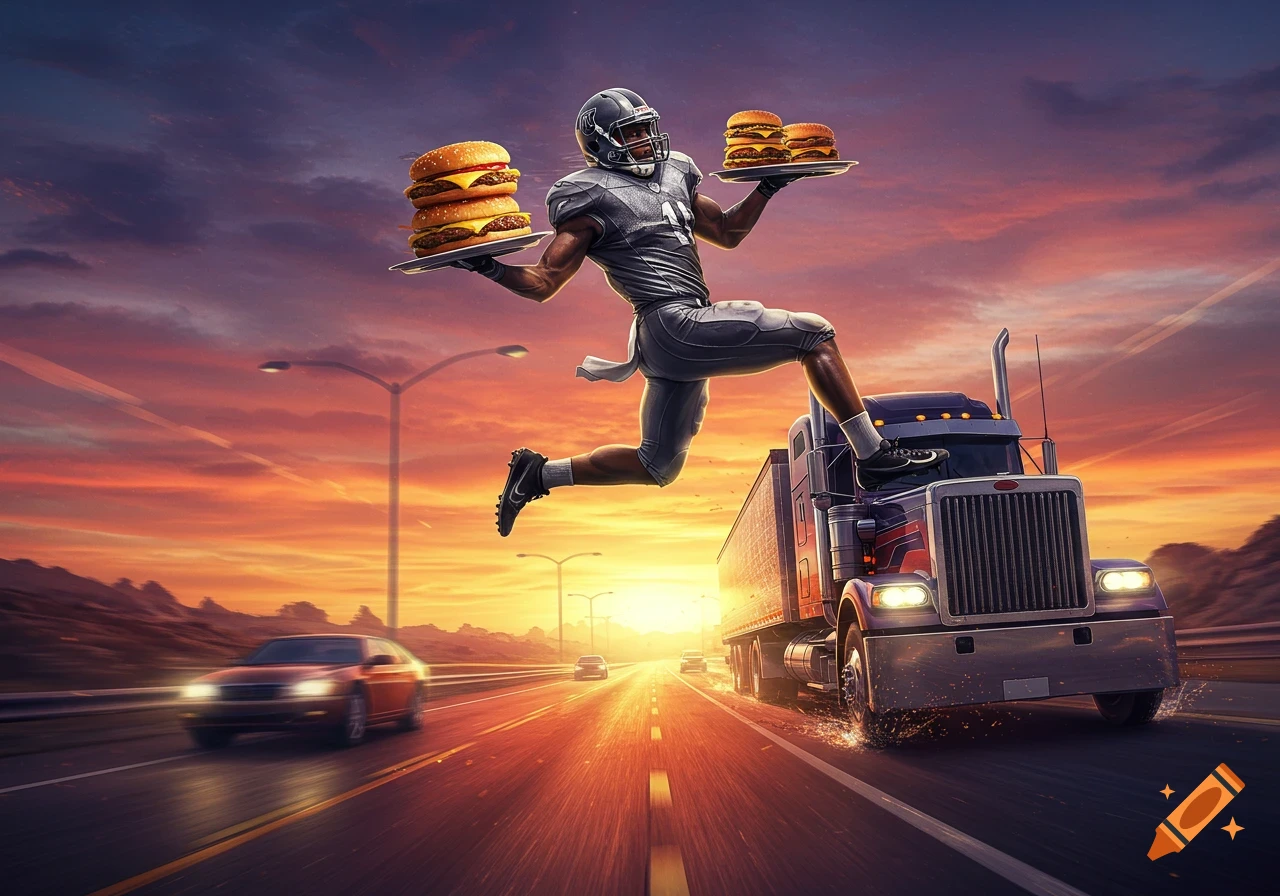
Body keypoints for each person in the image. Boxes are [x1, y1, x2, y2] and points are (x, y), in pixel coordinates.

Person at [452, 88, 948, 536]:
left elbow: (728, 232)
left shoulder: (676, 174)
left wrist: (768, 187)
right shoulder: (586, 195)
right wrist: (488, 267)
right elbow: (543, 283)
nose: (646, 141)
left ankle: (539, 473)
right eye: (632, 133)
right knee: (813, 334)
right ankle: (873, 455)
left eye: (648, 129)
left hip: (677, 335)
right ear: (601, 144)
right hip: (671, 323)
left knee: (657, 466)